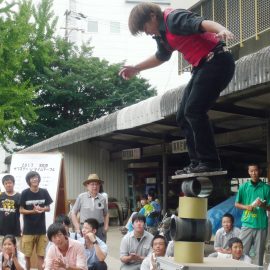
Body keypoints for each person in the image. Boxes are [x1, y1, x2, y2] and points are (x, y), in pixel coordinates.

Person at [119, 2, 235, 174]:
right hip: (202, 67)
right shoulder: (161, 35)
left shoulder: (174, 19)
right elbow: (161, 56)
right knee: (182, 115)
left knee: (194, 110)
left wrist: (221, 29)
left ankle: (210, 162)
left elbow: (203, 23)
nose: (146, 32)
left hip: (217, 61)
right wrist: (137, 68)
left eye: (145, 27)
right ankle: (197, 163)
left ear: (152, 16)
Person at [235, 163, 270, 266]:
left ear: (259, 171)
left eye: (256, 170)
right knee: (241, 251)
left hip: (261, 225)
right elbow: (236, 204)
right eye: (251, 171)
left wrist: (263, 205)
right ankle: (241, 268)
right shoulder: (243, 187)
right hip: (247, 224)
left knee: (259, 253)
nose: (254, 173)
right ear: (248, 172)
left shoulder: (266, 188)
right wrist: (246, 207)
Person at [19, 171, 53, 270]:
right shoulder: (25, 193)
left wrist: (42, 209)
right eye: (32, 178)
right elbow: (21, 210)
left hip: (41, 230)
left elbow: (48, 208)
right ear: (28, 181)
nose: (35, 179)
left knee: (41, 256)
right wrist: (32, 211)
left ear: (39, 179)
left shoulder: (44, 191)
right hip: (28, 230)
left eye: (36, 177)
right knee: (26, 257)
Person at [71, 174, 109, 243]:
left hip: (99, 230)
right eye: (92, 184)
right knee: (86, 250)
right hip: (85, 230)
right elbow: (73, 213)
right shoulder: (81, 197)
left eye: (97, 184)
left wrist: (106, 227)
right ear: (87, 186)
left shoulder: (102, 198)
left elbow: (106, 214)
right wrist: (77, 227)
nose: (95, 186)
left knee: (100, 249)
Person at [0, 175, 21, 246]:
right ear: (3, 185)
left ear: (13, 183)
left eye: (10, 183)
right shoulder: (1, 195)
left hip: (15, 230)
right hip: (1, 229)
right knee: (1, 253)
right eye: (6, 183)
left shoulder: (19, 196)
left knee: (14, 252)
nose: (8, 185)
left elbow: (22, 211)